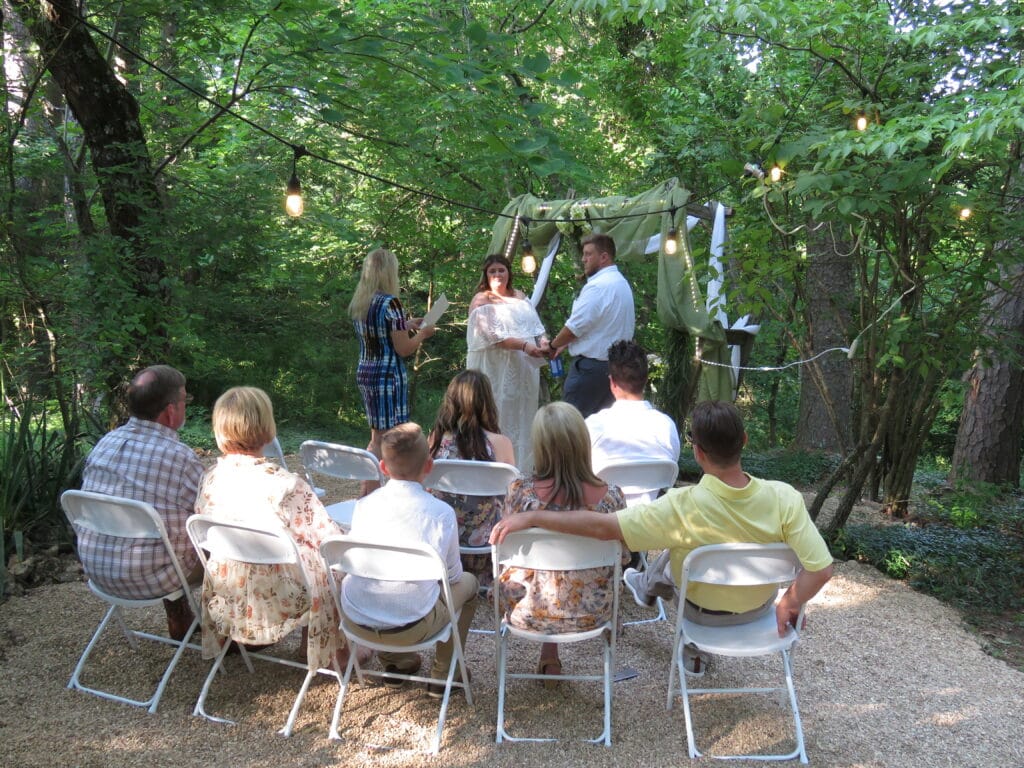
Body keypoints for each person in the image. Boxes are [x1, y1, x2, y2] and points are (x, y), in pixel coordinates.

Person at [491, 400, 834, 677]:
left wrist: (533, 516)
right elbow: (820, 569)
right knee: (683, 553)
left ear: (697, 452)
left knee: (681, 551)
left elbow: (603, 527)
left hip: (701, 617)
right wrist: (789, 602)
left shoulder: (680, 507)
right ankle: (646, 585)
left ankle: (646, 586)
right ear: (744, 441)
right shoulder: (785, 498)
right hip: (757, 613)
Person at [194, 387, 356, 670]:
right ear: (268, 431)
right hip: (280, 597)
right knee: (334, 563)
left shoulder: (211, 477)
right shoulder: (286, 485)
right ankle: (333, 655)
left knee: (300, 552)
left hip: (229, 589)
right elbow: (328, 540)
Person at [496, 402, 626, 688]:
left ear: (540, 446)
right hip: (591, 614)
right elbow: (623, 558)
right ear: (582, 442)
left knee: (538, 572)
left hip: (527, 612)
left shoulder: (520, 493)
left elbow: (505, 554)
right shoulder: (612, 498)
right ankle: (553, 653)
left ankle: (549, 653)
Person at [341, 423, 477, 696]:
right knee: (469, 584)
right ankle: (444, 672)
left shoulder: (364, 506)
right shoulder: (440, 513)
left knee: (382, 584)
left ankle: (396, 663)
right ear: (429, 466)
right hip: (412, 626)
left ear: (382, 467)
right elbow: (451, 578)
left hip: (356, 618)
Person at [78, 364, 204, 640]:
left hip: (98, 571)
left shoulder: (105, 443)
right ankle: (236, 633)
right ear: (171, 411)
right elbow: (212, 512)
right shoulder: (179, 457)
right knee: (220, 539)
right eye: (185, 400)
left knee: (165, 528)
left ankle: (180, 619)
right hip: (150, 579)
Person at [349, 247, 436, 493]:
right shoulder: (391, 303)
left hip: (366, 371)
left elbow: (379, 332)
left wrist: (406, 324)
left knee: (377, 436)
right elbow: (404, 348)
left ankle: (368, 492)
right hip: (388, 376)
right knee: (390, 438)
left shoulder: (361, 301)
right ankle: (375, 494)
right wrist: (423, 333)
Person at [428, 370, 515, 589]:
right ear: (487, 402)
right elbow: (512, 494)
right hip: (486, 542)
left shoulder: (437, 440)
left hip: (442, 537)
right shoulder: (501, 444)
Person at [466, 254, 548, 472]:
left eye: (501, 270)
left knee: (522, 414)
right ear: (486, 275)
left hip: (523, 370)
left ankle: (521, 469)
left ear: (509, 272)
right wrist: (524, 346)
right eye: (492, 271)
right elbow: (494, 337)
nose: (497, 275)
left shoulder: (520, 296)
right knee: (496, 411)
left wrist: (544, 342)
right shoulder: (481, 300)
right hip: (495, 368)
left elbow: (537, 327)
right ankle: (491, 469)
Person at [547, 233, 635, 418]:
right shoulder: (621, 283)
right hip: (616, 368)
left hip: (590, 371)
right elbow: (596, 327)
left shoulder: (599, 286)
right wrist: (563, 345)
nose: (583, 259)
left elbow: (574, 328)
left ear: (604, 257)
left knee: (571, 426)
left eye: (588, 254)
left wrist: (553, 346)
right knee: (602, 430)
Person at [586, 340, 681, 495]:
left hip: (604, 517)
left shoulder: (592, 426)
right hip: (653, 515)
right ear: (645, 379)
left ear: (612, 383)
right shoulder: (666, 426)